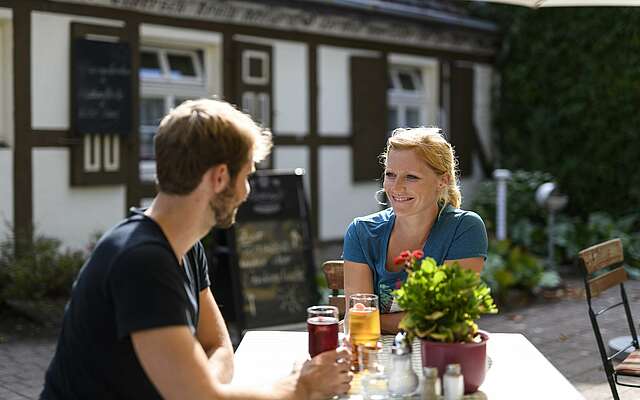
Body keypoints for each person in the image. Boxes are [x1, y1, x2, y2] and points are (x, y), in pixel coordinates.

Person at [41, 99, 351, 400]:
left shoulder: (184, 246)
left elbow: (217, 345)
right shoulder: (142, 261)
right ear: (219, 177)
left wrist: (199, 385)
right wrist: (301, 389)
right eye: (246, 176)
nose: (246, 192)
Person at [343, 127, 488, 334]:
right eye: (390, 175)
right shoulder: (361, 232)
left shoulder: (464, 229)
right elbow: (357, 316)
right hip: (374, 357)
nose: (397, 187)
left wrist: (372, 320)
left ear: (443, 180)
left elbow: (445, 318)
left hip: (439, 356)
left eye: (411, 177)